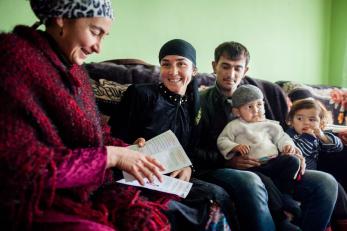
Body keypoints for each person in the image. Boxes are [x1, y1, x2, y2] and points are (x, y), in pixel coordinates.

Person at [0, 1, 177, 230]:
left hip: (87, 187)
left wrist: (130, 151)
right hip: (37, 200)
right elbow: (25, 168)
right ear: (61, 18)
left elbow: (98, 137)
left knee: (156, 215)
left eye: (105, 36)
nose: (98, 48)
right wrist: (111, 156)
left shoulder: (76, 71)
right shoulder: (13, 60)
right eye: (95, 32)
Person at [193, 41, 338, 231]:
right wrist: (227, 161)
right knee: (251, 180)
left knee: (326, 182)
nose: (231, 74)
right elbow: (193, 149)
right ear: (214, 67)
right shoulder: (200, 102)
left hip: (268, 163)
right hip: (223, 168)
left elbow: (276, 133)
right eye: (225, 66)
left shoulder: (260, 97)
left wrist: (293, 153)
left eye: (238, 68)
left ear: (246, 70)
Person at [108, 39, 235, 230]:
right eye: (166, 64)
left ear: (193, 70)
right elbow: (111, 139)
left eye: (181, 64)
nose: (173, 71)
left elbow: (194, 147)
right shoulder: (140, 94)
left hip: (174, 179)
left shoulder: (194, 104)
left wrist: (189, 166)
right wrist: (130, 146)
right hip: (138, 175)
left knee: (218, 195)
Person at [286, 98, 347, 230]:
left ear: (321, 123)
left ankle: (339, 221)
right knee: (327, 184)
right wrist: (310, 137)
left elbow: (337, 147)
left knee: (335, 187)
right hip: (294, 178)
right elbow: (303, 150)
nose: (306, 123)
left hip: (313, 178)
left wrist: (322, 136)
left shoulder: (317, 136)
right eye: (300, 118)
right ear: (291, 121)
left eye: (312, 119)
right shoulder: (289, 137)